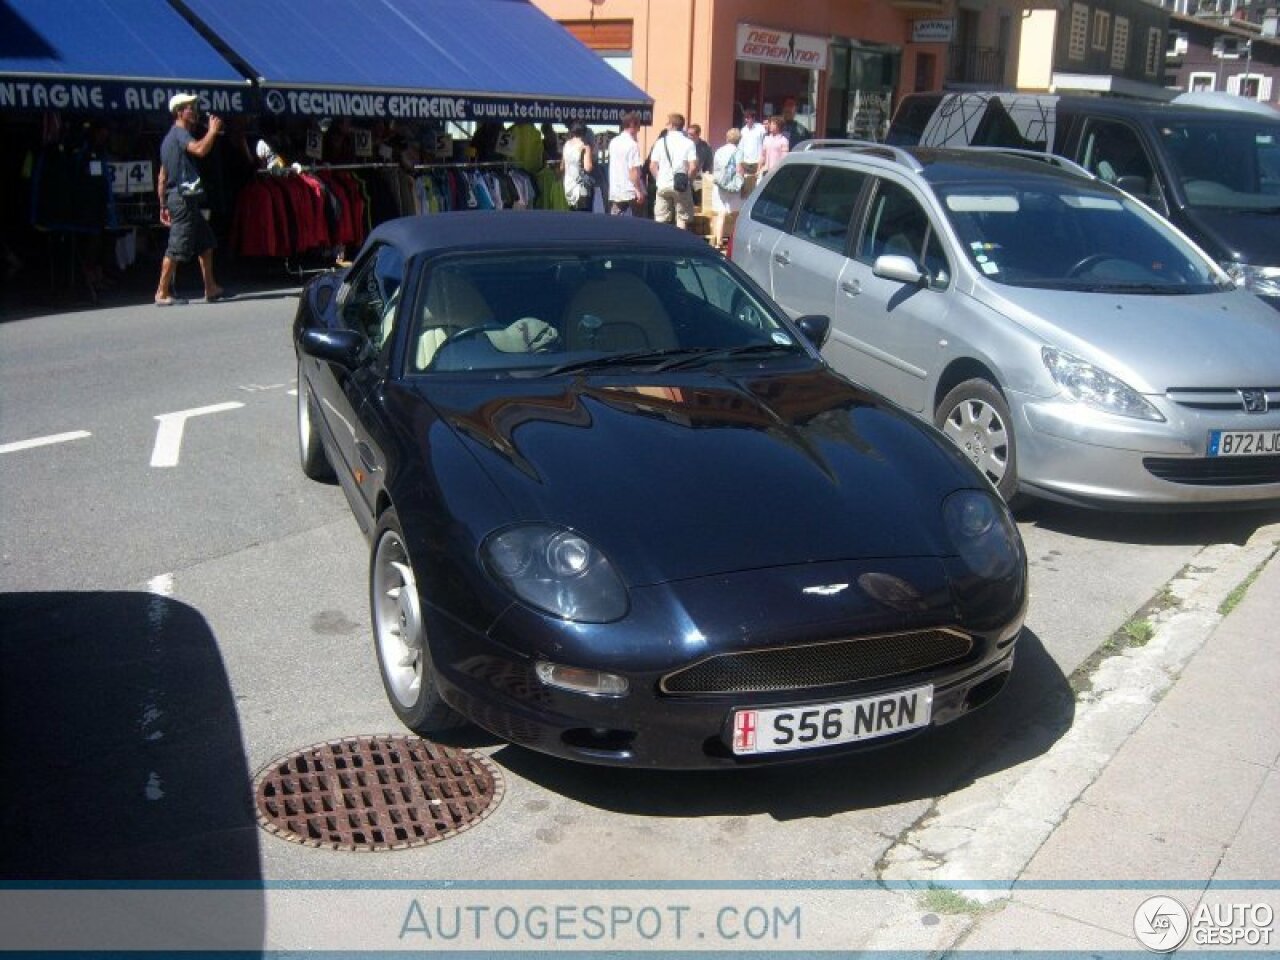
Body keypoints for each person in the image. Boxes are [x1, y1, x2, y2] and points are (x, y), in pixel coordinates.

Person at [155, 93, 228, 306]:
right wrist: (212, 132)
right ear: (180, 112)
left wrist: (162, 205)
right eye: (190, 108)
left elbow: (162, 176)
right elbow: (200, 149)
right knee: (177, 246)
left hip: (180, 198)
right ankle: (162, 291)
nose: (195, 112)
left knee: (206, 242)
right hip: (182, 199)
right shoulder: (179, 134)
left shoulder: (168, 139)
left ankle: (210, 286)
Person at [649, 113, 698, 229]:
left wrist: (659, 179)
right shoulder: (688, 143)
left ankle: (662, 242)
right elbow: (693, 167)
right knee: (682, 218)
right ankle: (680, 243)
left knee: (661, 219)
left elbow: (652, 166)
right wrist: (688, 180)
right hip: (681, 184)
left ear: (671, 125)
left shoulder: (660, 142)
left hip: (663, 184)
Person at [710, 127, 745, 249]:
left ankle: (718, 241)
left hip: (719, 184)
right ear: (739, 140)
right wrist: (741, 182)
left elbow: (715, 167)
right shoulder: (739, 151)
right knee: (736, 214)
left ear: (727, 138)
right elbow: (739, 169)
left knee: (720, 213)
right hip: (733, 186)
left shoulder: (719, 150)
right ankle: (734, 239)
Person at [607, 111, 646, 215]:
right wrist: (638, 190)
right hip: (631, 192)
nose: (639, 129)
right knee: (637, 224)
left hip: (616, 189)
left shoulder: (614, 142)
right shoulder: (632, 145)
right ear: (633, 125)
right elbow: (633, 171)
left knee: (616, 223)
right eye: (638, 125)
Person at [561, 122, 595, 212]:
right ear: (584, 132)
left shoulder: (566, 145)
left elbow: (562, 166)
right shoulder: (584, 146)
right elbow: (588, 167)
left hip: (568, 185)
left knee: (572, 216)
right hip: (581, 188)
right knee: (584, 217)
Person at [687, 123, 714, 207]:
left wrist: (707, 176)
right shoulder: (684, 144)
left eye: (691, 134)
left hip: (698, 179)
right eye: (688, 134)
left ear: (698, 134)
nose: (689, 136)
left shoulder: (705, 147)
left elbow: (709, 163)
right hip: (685, 177)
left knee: (698, 204)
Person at [738, 108, 765, 175]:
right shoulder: (743, 130)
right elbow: (740, 148)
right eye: (745, 118)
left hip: (757, 162)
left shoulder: (760, 129)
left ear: (753, 118)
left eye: (748, 118)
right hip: (746, 162)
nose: (746, 120)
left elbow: (764, 144)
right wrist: (740, 163)